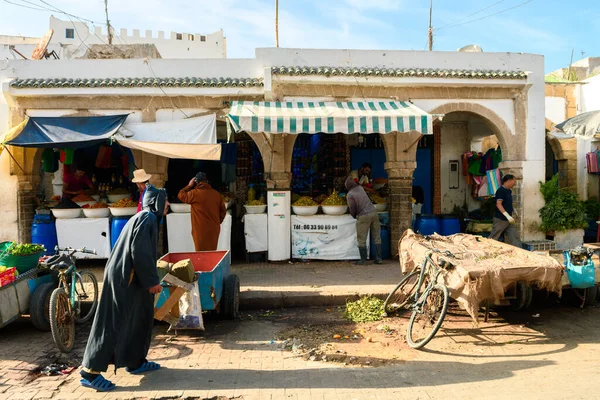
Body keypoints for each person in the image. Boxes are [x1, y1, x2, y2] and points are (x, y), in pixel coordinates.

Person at [79, 186, 168, 392]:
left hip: (132, 278)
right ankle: (89, 373)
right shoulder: (147, 219)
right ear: (157, 202)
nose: (168, 205)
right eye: (165, 201)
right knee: (112, 322)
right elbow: (141, 253)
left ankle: (134, 361)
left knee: (138, 318)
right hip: (124, 278)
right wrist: (152, 280)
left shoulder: (146, 219)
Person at [178, 172, 226, 251]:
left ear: (196, 182)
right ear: (206, 181)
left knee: (200, 253)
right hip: (214, 229)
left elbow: (181, 195)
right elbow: (223, 211)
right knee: (212, 252)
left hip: (199, 230)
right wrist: (216, 222)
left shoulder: (194, 194)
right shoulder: (216, 194)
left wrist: (189, 185)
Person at [345, 176, 382, 264]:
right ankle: (379, 258)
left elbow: (352, 207)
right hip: (374, 213)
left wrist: (354, 215)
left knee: (361, 238)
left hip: (363, 216)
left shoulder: (350, 194)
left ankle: (363, 260)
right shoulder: (360, 188)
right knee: (376, 236)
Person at [489, 174, 522, 247]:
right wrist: (507, 215)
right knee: (494, 236)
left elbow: (508, 203)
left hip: (509, 220)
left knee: (514, 236)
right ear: (509, 181)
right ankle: (486, 250)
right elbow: (499, 204)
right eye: (514, 181)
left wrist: (514, 210)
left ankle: (519, 251)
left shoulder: (509, 191)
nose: (515, 183)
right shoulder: (501, 191)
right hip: (501, 219)